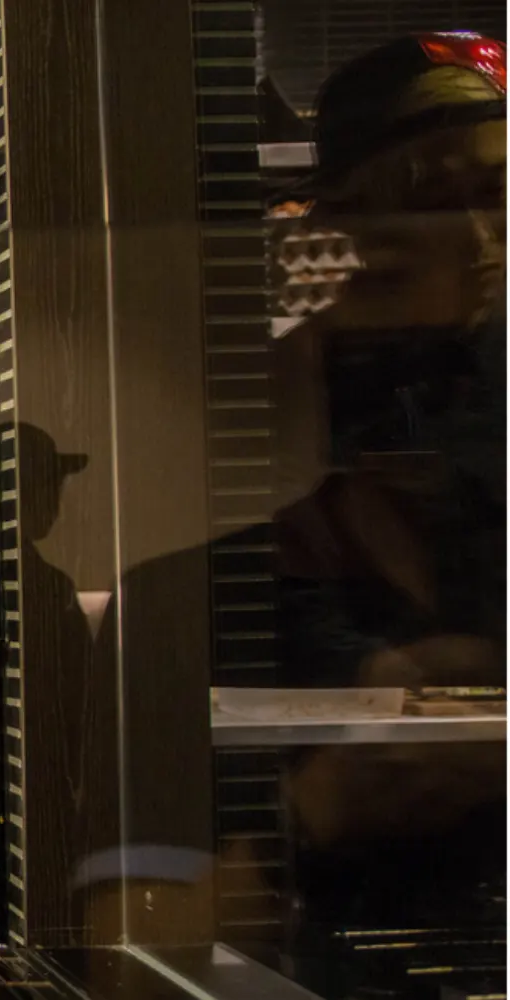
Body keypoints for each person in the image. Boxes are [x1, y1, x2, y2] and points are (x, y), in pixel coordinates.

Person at [263, 32, 505, 999]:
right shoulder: (277, 395)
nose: (484, 241)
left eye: (498, 198)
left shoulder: (480, 389)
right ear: (354, 222)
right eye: (438, 204)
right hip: (338, 899)